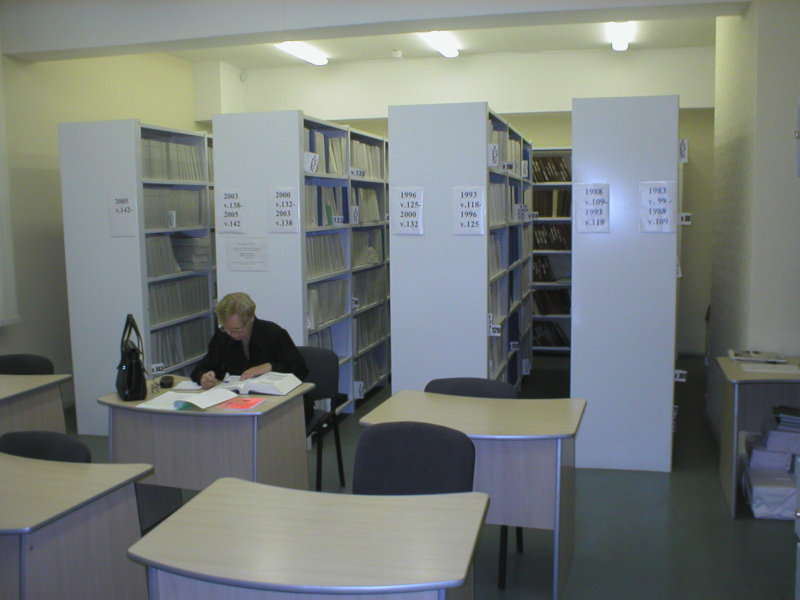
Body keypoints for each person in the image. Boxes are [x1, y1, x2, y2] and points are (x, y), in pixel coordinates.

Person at [191, 292, 312, 421]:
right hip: (242, 405)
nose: (231, 334)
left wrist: (269, 366)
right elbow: (201, 368)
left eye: (237, 330)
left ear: (251, 319)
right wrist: (203, 377)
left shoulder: (273, 333)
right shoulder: (223, 337)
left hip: (285, 405)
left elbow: (300, 369)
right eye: (226, 329)